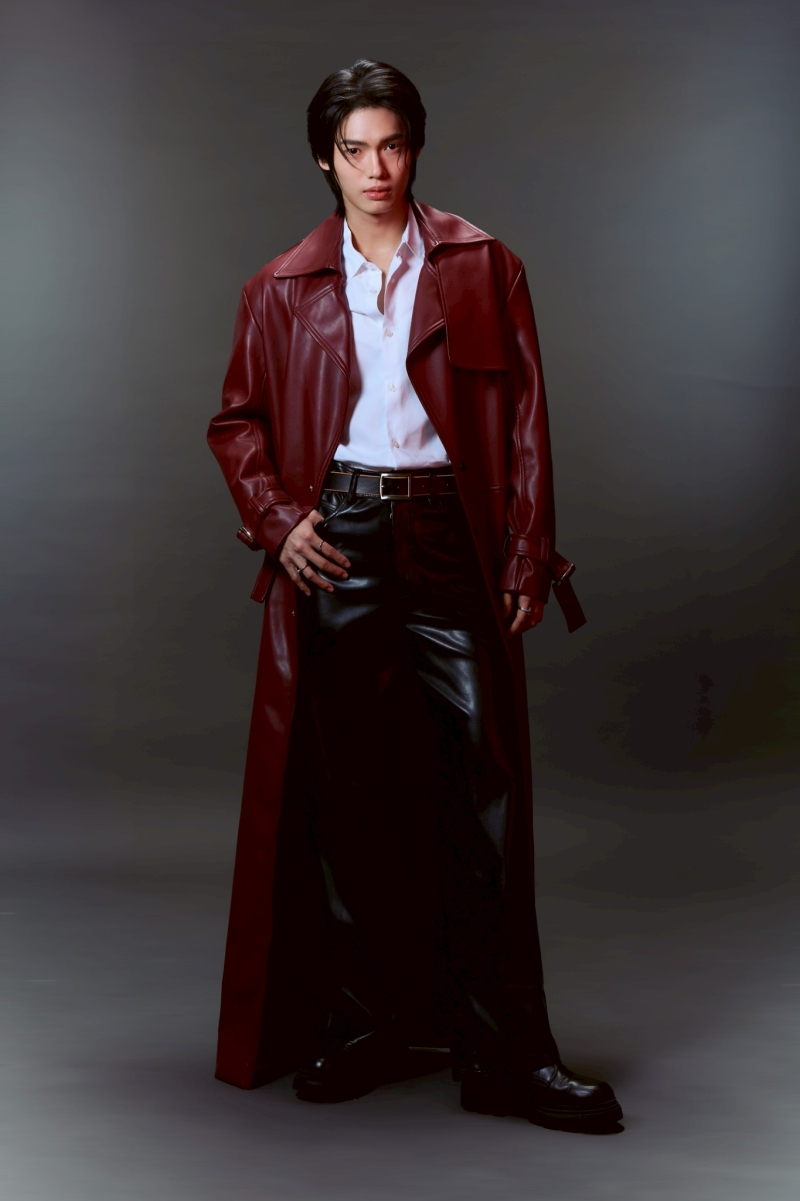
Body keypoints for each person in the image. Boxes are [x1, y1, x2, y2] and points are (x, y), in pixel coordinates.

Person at [207, 59, 622, 1132]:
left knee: (486, 795)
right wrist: (277, 520)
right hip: (340, 538)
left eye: (391, 145)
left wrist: (526, 554)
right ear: (325, 159)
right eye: (354, 150)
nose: (376, 169)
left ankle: (506, 1055)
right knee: (352, 798)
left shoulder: (484, 264)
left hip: (451, 538)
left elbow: (526, 420)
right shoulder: (281, 286)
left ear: (416, 148)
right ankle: (366, 1025)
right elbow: (237, 421)